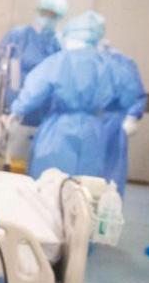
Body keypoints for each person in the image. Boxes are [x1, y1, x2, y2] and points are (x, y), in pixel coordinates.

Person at [9, 11, 115, 180]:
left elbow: (34, 91)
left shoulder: (60, 61)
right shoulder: (107, 63)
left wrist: (16, 110)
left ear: (70, 35)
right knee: (85, 189)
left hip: (60, 131)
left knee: (50, 185)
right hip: (94, 131)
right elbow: (125, 97)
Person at [0, 0, 67, 111]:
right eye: (44, 13)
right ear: (38, 11)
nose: (47, 18)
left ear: (59, 17)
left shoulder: (58, 43)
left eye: (52, 15)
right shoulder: (17, 35)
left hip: (43, 104)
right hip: (12, 100)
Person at [101, 45, 146, 195]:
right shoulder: (66, 59)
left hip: (110, 126)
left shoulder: (119, 62)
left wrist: (132, 116)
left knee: (108, 176)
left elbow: (134, 92)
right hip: (78, 125)